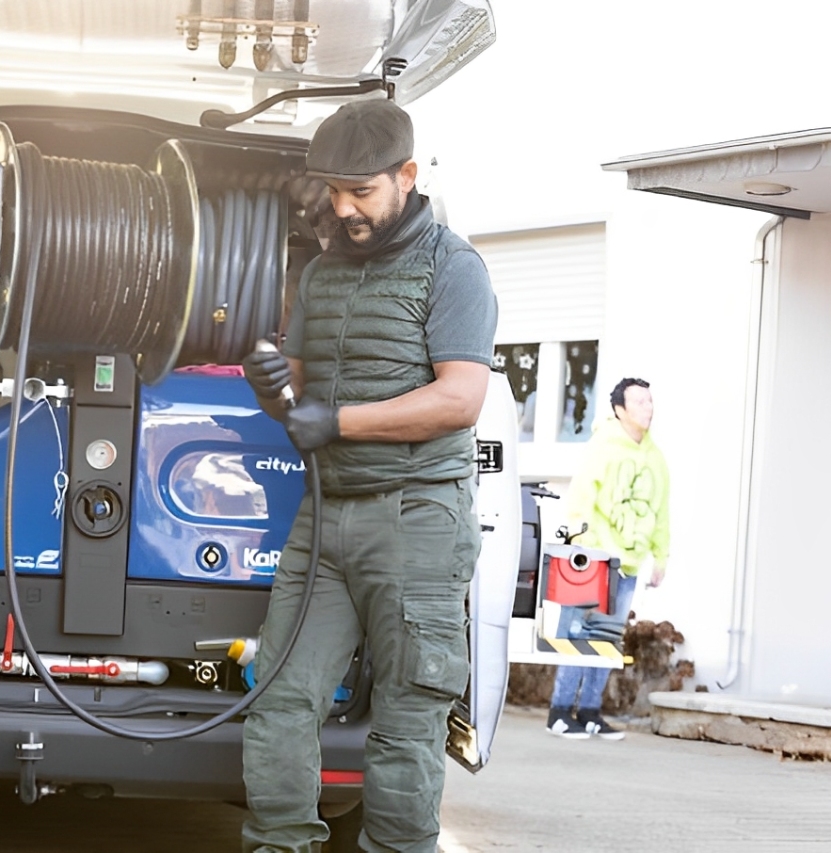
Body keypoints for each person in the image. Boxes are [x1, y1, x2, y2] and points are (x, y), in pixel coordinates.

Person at [240, 98, 497, 853]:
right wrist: (271, 381)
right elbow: (297, 388)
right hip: (327, 518)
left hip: (418, 518)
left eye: (362, 191)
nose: (345, 208)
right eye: (334, 192)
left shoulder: (454, 268)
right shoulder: (321, 273)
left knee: (408, 717)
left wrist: (340, 422)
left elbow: (460, 397)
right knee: (280, 701)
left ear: (407, 175)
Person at [546, 377, 671, 741]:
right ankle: (559, 711)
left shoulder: (656, 458)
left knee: (607, 638)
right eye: (640, 402)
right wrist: (582, 546)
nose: (648, 408)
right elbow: (582, 497)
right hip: (596, 559)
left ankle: (589, 712)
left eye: (650, 401)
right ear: (620, 410)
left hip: (630, 563)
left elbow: (662, 511)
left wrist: (660, 557)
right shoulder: (602, 447)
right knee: (577, 633)